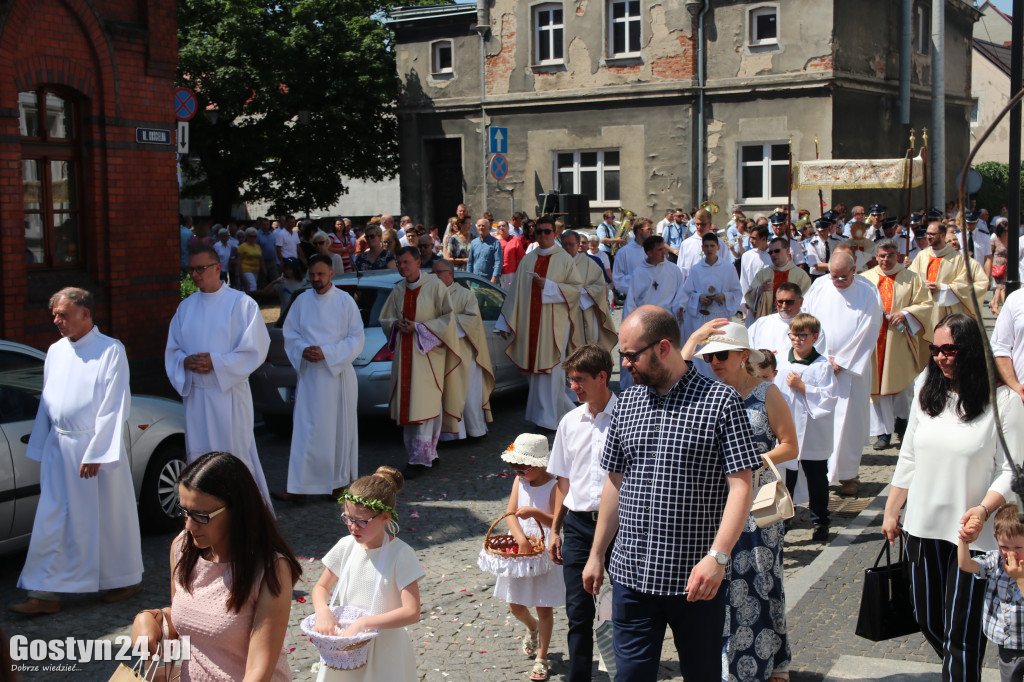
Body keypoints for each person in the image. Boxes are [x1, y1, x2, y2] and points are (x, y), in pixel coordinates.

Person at [582, 306, 763, 680]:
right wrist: (597, 553)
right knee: (629, 677)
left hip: (694, 579)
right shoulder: (627, 404)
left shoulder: (720, 402)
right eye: (622, 355)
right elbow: (615, 483)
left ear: (663, 348)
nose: (625, 364)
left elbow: (742, 486)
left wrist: (718, 557)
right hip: (631, 574)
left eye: (631, 355)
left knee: (701, 674)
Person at [883, 313, 1024, 682]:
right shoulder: (926, 386)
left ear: (972, 351)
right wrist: (891, 509)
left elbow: (1011, 469)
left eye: (950, 350)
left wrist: (983, 508)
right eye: (936, 349)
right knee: (929, 618)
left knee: (961, 632)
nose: (941, 357)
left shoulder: (1004, 400)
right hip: (922, 528)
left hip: (972, 536)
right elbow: (909, 454)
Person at [9, 288, 142, 615]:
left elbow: (114, 404)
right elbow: (48, 402)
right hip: (60, 449)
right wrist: (41, 445)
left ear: (85, 314)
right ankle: (45, 593)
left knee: (108, 519)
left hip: (95, 451)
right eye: (54, 314)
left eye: (63, 314)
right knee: (53, 519)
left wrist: (97, 451)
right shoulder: (55, 351)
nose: (56, 320)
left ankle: (123, 577)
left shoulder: (111, 350)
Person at [679, 318, 797, 680]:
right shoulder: (709, 394)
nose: (714, 363)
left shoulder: (767, 393)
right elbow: (673, 378)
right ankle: (732, 666)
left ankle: (766, 662)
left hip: (759, 507)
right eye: (709, 356)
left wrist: (752, 462)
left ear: (744, 355)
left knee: (761, 584)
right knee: (725, 588)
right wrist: (695, 340)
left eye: (722, 355)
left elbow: (790, 446)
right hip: (720, 507)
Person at [131, 452, 302, 681]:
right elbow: (188, 623)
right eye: (184, 511)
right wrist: (149, 618)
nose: (189, 525)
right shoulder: (183, 548)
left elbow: (258, 672)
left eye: (201, 515)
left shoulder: (271, 569)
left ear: (237, 510)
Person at [166, 245, 273, 506]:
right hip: (197, 399)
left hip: (229, 396)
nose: (194, 274)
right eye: (191, 269)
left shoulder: (241, 304)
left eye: (200, 268)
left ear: (217, 268)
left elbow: (256, 349)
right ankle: (205, 513)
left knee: (233, 457)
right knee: (201, 460)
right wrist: (185, 361)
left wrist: (217, 363)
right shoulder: (186, 308)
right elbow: (173, 350)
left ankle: (244, 514)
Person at [310, 467, 423, 681]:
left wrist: (364, 623)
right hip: (347, 646)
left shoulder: (401, 554)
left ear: (385, 517)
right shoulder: (346, 546)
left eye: (361, 521)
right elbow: (321, 587)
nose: (353, 527)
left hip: (385, 650)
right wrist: (323, 611)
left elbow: (412, 611)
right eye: (348, 518)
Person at [545, 345, 616, 682]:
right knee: (578, 612)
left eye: (580, 380)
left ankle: (618, 674)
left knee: (618, 612)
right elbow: (563, 480)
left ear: (603, 377)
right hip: (577, 526)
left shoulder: (626, 417)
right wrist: (555, 529)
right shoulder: (569, 422)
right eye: (570, 380)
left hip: (619, 527)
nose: (573, 386)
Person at [271, 255, 365, 503]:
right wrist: (303, 348)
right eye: (312, 274)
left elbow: (356, 339)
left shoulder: (345, 302)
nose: (316, 279)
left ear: (331, 274)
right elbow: (290, 333)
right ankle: (299, 487)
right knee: (306, 431)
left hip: (337, 376)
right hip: (311, 376)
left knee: (337, 431)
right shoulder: (302, 301)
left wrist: (328, 353)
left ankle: (337, 483)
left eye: (321, 274)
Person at [802, 251, 883, 496]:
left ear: (854, 269)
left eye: (842, 278)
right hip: (820, 363)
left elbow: (870, 328)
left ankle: (848, 475)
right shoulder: (819, 286)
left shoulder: (868, 292)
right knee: (820, 418)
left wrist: (843, 362)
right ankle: (817, 474)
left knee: (849, 422)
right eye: (833, 276)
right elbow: (806, 319)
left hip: (851, 368)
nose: (837, 282)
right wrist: (821, 358)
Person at [497, 215, 582, 430]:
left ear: (554, 234)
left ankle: (549, 419)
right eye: (539, 232)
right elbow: (515, 292)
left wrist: (550, 286)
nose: (543, 235)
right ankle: (543, 416)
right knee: (535, 374)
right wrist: (504, 323)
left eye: (547, 231)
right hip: (532, 325)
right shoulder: (528, 259)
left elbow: (575, 290)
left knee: (552, 372)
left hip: (554, 326)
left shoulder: (564, 259)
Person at [379, 246, 458, 478]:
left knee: (424, 405)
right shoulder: (398, 290)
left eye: (406, 262)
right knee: (412, 403)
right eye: (399, 262)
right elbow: (385, 317)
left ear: (417, 262)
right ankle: (425, 455)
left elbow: (448, 320)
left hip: (427, 356)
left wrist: (419, 327)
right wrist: (396, 325)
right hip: (405, 355)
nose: (402, 266)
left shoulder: (435, 286)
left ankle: (421, 458)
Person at [493, 435, 565, 682]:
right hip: (522, 547)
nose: (518, 472)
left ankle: (542, 657)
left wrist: (535, 513)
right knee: (515, 604)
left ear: (541, 464)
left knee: (544, 606)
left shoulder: (554, 485)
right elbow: (510, 513)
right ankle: (531, 627)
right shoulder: (519, 480)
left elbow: (558, 520)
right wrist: (520, 539)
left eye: (522, 468)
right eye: (514, 467)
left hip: (543, 548)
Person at [772, 313, 837, 541]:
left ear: (814, 337)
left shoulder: (822, 366)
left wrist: (803, 387)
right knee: (786, 478)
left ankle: (820, 520)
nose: (797, 340)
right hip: (787, 430)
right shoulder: (781, 362)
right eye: (793, 335)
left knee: (816, 478)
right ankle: (784, 520)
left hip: (813, 434)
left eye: (802, 336)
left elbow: (829, 398)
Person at [862, 239, 930, 450]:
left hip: (899, 340)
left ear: (898, 255)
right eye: (882, 256)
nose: (885, 260)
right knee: (876, 388)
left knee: (902, 385)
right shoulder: (866, 279)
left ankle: (903, 422)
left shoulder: (911, 279)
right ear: (876, 256)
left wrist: (906, 313)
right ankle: (883, 432)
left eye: (890, 255)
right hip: (873, 341)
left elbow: (926, 304)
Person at [957, 504, 1024, 682]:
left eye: (1018, 547)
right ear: (996, 539)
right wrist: (964, 540)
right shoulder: (996, 560)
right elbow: (966, 565)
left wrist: (1019, 578)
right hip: (1009, 643)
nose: (1010, 553)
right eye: (1004, 546)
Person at [434, 259, 494, 441]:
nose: (434, 277)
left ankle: (475, 430)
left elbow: (473, 321)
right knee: (446, 395)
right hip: (441, 353)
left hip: (464, 354)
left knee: (469, 395)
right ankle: (450, 435)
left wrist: (443, 325)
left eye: (438, 273)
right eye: (433, 273)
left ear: (450, 274)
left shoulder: (465, 294)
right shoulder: (430, 295)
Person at [908, 218, 988, 341]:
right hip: (924, 309)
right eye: (927, 234)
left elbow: (968, 284)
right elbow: (912, 278)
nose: (928, 237)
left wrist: (943, 288)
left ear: (943, 235)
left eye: (932, 234)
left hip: (945, 312)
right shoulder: (921, 256)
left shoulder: (958, 259)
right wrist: (923, 285)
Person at [680, 231, 742, 344]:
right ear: (702, 248)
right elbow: (686, 293)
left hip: (721, 315)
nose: (709, 249)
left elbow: (737, 292)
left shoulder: (728, 268)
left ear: (718, 247)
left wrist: (725, 296)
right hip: (701, 316)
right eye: (706, 246)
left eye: (712, 246)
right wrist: (699, 297)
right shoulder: (696, 269)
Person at [562, 230, 617, 354]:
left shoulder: (589, 264)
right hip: (561, 313)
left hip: (583, 312)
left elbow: (599, 287)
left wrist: (577, 292)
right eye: (564, 245)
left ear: (578, 245)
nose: (567, 248)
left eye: (571, 244)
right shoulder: (556, 263)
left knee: (584, 348)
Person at [744, 236, 812, 322]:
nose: (773, 255)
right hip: (769, 321)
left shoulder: (800, 275)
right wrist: (760, 289)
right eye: (770, 252)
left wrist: (786, 308)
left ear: (787, 251)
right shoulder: (763, 274)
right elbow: (749, 298)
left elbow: (807, 301)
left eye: (777, 251)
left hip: (793, 322)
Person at [611, 218, 652, 298]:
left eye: (652, 229)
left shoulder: (653, 250)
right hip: (633, 297)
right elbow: (618, 279)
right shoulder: (623, 252)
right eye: (649, 229)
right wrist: (639, 281)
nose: (652, 232)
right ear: (639, 231)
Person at [467, 217, 504, 283]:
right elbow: (470, 262)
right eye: (479, 226)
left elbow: (498, 262)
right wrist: (468, 278)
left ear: (488, 227)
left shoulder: (495, 243)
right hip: (476, 280)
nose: (481, 227)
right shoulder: (473, 243)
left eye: (483, 226)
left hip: (490, 281)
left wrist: (494, 278)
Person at [237, 227, 266, 293]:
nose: (253, 238)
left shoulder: (257, 247)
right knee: (253, 285)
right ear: (247, 237)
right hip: (246, 269)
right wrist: (237, 272)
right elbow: (239, 259)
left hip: (256, 270)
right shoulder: (242, 247)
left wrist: (264, 269)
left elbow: (261, 259)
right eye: (251, 236)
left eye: (255, 236)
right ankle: (252, 301)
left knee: (248, 287)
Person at [991, 222, 1009, 315]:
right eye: (1005, 231)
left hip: (1007, 265)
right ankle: (997, 306)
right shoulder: (995, 240)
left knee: (1001, 286)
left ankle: (994, 304)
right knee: (1001, 286)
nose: (1007, 232)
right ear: (1000, 231)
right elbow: (990, 253)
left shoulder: (1010, 239)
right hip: (997, 265)